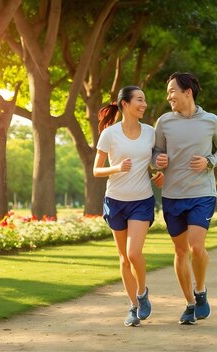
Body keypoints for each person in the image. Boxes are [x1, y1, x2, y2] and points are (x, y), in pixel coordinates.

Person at [152, 72, 217, 325]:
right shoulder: (164, 122)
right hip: (173, 195)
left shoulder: (212, 121)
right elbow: (155, 152)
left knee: (196, 246)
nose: (169, 96)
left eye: (172, 91)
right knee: (180, 251)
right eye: (168, 92)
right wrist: (157, 160)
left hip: (202, 194)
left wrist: (210, 161)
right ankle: (189, 303)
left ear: (188, 92)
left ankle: (201, 290)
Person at [93, 85, 164, 327]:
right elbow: (96, 169)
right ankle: (134, 307)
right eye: (139, 100)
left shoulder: (150, 132)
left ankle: (142, 294)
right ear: (125, 104)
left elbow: (155, 161)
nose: (144, 105)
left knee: (134, 253)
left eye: (145, 100)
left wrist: (159, 172)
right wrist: (116, 168)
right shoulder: (109, 134)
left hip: (142, 200)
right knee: (123, 258)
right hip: (115, 201)